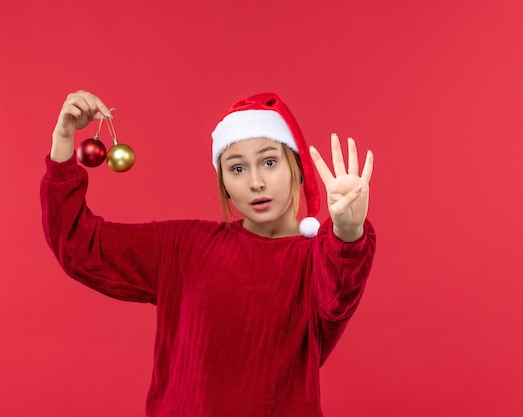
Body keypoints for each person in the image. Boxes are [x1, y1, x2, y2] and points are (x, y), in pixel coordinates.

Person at [41, 90, 376, 417]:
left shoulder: (316, 260)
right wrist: (63, 141)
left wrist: (348, 232)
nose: (256, 182)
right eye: (237, 169)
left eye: (269, 162)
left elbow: (338, 291)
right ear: (225, 184)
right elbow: (79, 246)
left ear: (297, 169)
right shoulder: (185, 246)